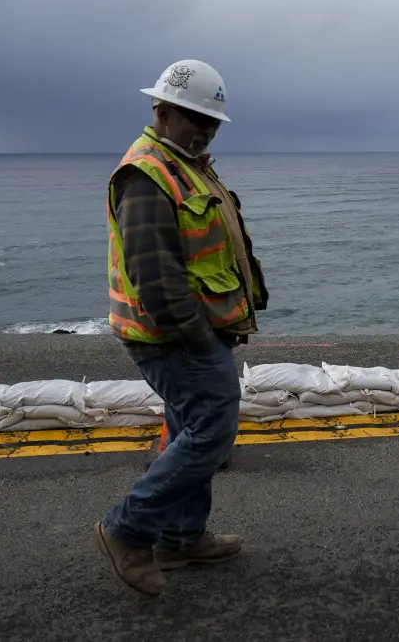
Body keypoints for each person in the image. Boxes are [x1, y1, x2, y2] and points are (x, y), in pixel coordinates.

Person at [95, 59, 268, 598]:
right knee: (213, 432)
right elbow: (155, 276)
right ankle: (127, 530)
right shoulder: (146, 175)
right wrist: (197, 335)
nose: (207, 129)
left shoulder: (184, 163)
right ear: (162, 111)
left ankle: (180, 537)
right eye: (197, 118)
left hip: (196, 331)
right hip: (172, 336)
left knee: (192, 426)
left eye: (213, 122)